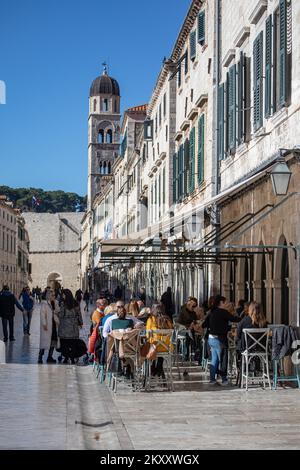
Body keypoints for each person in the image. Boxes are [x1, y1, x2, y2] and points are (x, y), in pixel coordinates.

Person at [202, 295, 240, 386]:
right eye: (225, 302)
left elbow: (204, 325)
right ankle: (224, 379)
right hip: (220, 340)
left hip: (211, 338)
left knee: (214, 359)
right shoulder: (223, 312)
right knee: (223, 358)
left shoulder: (211, 312)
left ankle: (212, 379)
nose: (226, 304)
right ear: (221, 303)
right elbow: (234, 319)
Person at [146, 304, 173, 378]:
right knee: (160, 348)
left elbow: (147, 336)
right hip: (166, 348)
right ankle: (159, 366)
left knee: (150, 346)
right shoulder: (167, 320)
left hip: (153, 348)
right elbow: (171, 333)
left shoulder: (150, 320)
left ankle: (152, 367)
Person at [58, 289, 83, 364]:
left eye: (63, 294)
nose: (62, 296)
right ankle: (72, 358)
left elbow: (61, 315)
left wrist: (56, 313)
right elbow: (79, 314)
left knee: (65, 343)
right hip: (73, 326)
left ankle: (66, 358)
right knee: (73, 343)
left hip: (64, 326)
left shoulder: (63, 304)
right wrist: (81, 323)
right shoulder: (76, 303)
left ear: (66, 295)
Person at [38, 289, 60, 364]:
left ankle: (49, 357)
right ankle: (40, 357)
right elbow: (42, 314)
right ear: (48, 296)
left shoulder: (56, 303)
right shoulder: (44, 304)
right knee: (44, 342)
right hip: (47, 325)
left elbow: (58, 311)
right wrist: (44, 324)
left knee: (53, 341)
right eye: (52, 295)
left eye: (54, 295)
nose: (54, 296)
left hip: (54, 324)